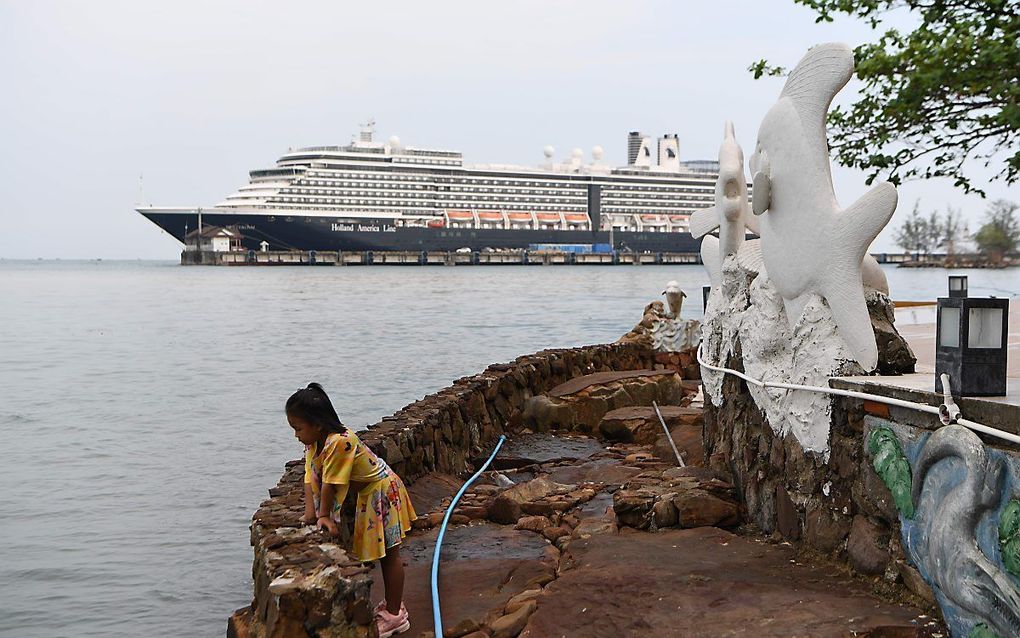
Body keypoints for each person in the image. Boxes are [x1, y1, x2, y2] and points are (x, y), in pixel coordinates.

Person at [286, 383, 416, 638]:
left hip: (382, 491)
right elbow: (310, 477)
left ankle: (394, 616)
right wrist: (310, 514)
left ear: (317, 424)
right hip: (368, 494)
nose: (296, 435)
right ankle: (392, 605)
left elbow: (330, 485)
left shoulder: (341, 442)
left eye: (298, 428)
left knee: (390, 554)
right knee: (383, 554)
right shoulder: (315, 443)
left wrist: (324, 516)